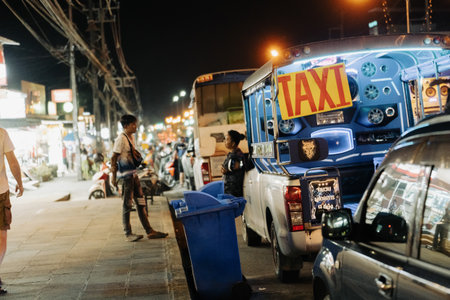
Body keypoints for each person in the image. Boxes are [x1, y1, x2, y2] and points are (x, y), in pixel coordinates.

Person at [111, 114, 168, 242]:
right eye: (133, 124)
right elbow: (113, 158)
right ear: (126, 126)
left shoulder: (131, 137)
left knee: (141, 203)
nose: (135, 126)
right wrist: (113, 177)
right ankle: (128, 233)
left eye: (135, 124)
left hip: (134, 175)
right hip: (126, 177)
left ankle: (149, 231)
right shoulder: (121, 139)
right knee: (127, 205)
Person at [0, 128, 24, 295]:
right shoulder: (1, 133)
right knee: (1, 238)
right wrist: (20, 183)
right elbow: (12, 162)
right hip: (0, 192)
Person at [221, 130, 246, 197]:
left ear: (233, 143)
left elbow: (234, 166)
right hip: (230, 190)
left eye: (227, 139)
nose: (224, 141)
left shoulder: (237, 155)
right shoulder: (232, 154)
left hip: (234, 192)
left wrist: (225, 170)